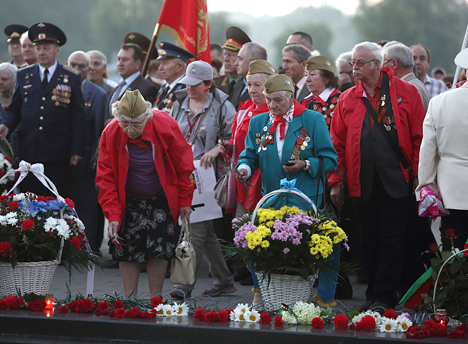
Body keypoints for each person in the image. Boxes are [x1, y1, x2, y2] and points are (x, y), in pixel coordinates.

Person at [329, 42, 425, 311]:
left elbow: (420, 138)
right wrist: (336, 181)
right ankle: (373, 294)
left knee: (393, 240)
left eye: (360, 63)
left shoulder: (405, 92)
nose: (354, 68)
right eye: (353, 64)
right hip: (361, 182)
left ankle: (384, 296)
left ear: (377, 64)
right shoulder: (347, 98)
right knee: (367, 241)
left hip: (396, 180)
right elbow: (337, 143)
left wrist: (418, 176)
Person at [236, 74, 338, 306]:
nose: (272, 105)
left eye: (277, 101)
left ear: (292, 98)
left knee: (314, 250)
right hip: (271, 199)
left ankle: (321, 299)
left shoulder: (312, 120)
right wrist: (244, 168)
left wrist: (305, 164)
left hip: (306, 198)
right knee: (260, 247)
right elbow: (249, 155)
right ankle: (266, 293)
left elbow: (330, 159)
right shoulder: (258, 122)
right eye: (269, 100)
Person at [97, 89, 194, 296]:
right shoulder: (112, 132)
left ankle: (155, 300)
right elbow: (106, 177)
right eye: (125, 123)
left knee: (158, 251)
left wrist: (186, 200)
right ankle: (130, 300)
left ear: (146, 118)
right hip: (128, 199)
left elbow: (183, 164)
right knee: (127, 251)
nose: (130, 130)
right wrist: (112, 215)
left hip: (161, 197)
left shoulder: (164, 124)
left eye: (136, 124)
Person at [169, 60, 236, 299]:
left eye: (195, 84)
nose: (190, 88)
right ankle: (225, 279)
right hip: (183, 173)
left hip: (207, 177)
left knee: (194, 229)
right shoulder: (178, 104)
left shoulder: (222, 106)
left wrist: (218, 149)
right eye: (187, 83)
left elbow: (235, 137)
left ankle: (184, 286)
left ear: (209, 84)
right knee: (205, 230)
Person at [0, 22, 85, 196]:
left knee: (54, 201)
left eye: (46, 48)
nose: (41, 52)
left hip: (58, 152)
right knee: (29, 201)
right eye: (38, 48)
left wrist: (77, 150)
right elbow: (15, 110)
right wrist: (5, 126)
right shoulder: (24, 75)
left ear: (57, 50)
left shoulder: (70, 76)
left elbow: (78, 116)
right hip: (29, 150)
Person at [220, 59, 277, 303]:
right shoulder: (244, 110)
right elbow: (244, 146)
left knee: (266, 238)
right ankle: (259, 289)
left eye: (258, 85)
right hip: (245, 182)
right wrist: (230, 147)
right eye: (249, 84)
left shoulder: (275, 113)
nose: (253, 90)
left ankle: (266, 293)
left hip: (265, 183)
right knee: (246, 240)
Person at [416, 48, 468, 251]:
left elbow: (427, 150)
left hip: (451, 190)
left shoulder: (439, 102)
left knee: (452, 253)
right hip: (450, 188)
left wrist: (425, 186)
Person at [66, 51, 107, 254]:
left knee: (88, 207)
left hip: (86, 162)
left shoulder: (98, 95)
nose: (78, 69)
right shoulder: (60, 89)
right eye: (74, 64)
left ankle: (89, 248)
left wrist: (94, 162)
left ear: (89, 68)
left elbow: (100, 132)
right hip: (61, 160)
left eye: (83, 66)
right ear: (67, 64)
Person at [109, 43, 159, 116]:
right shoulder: (119, 87)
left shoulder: (147, 88)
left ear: (138, 64)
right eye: (118, 59)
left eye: (125, 60)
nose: (120, 63)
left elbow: (144, 118)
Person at [383, 43, 430, 111]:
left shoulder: (410, 88)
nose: (382, 68)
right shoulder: (415, 85)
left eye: (384, 63)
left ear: (394, 63)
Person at [302, 55, 340, 131]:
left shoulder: (340, 100)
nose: (307, 79)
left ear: (326, 78)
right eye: (306, 75)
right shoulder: (307, 101)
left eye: (312, 74)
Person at [154, 42, 195, 113]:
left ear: (179, 67)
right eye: (160, 63)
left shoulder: (187, 88)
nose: (160, 68)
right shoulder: (165, 87)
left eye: (165, 63)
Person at [214, 27, 251, 97]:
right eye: (225, 54)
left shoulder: (251, 86)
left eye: (231, 55)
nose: (226, 59)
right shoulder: (215, 84)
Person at [230, 42, 267, 110]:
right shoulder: (239, 85)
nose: (236, 63)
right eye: (250, 85)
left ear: (253, 62)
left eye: (240, 59)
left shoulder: (268, 88)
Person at [0, 63, 18, 157]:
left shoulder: (21, 101)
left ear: (14, 81)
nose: (0, 82)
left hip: (20, 156)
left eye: (4, 79)